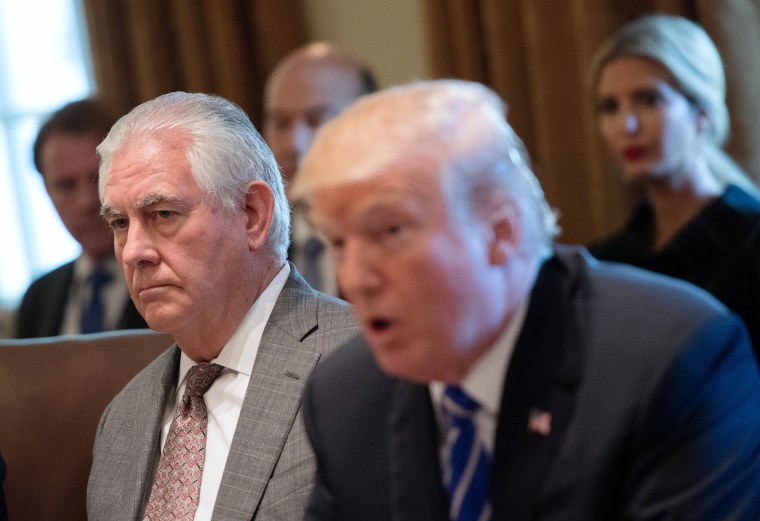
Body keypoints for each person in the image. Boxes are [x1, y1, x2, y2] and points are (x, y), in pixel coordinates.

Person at [291, 80, 760, 520]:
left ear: (501, 232)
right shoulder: (342, 396)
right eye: (337, 242)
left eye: (390, 231)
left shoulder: (672, 361)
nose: (354, 279)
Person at [86, 92, 357, 520]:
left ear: (251, 214)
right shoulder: (121, 419)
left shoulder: (361, 363)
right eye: (120, 223)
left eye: (163, 215)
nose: (133, 251)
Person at [586, 14, 760, 358]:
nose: (627, 125)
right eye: (610, 107)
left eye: (649, 100)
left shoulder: (752, 241)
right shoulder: (603, 263)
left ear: (702, 116)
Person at [16, 99, 147, 337]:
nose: (86, 202)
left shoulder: (173, 280)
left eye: (97, 179)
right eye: (66, 185)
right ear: (46, 190)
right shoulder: (38, 297)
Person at [264, 42, 376, 295]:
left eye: (318, 120)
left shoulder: (399, 242)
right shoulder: (256, 249)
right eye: (281, 123)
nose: (294, 144)